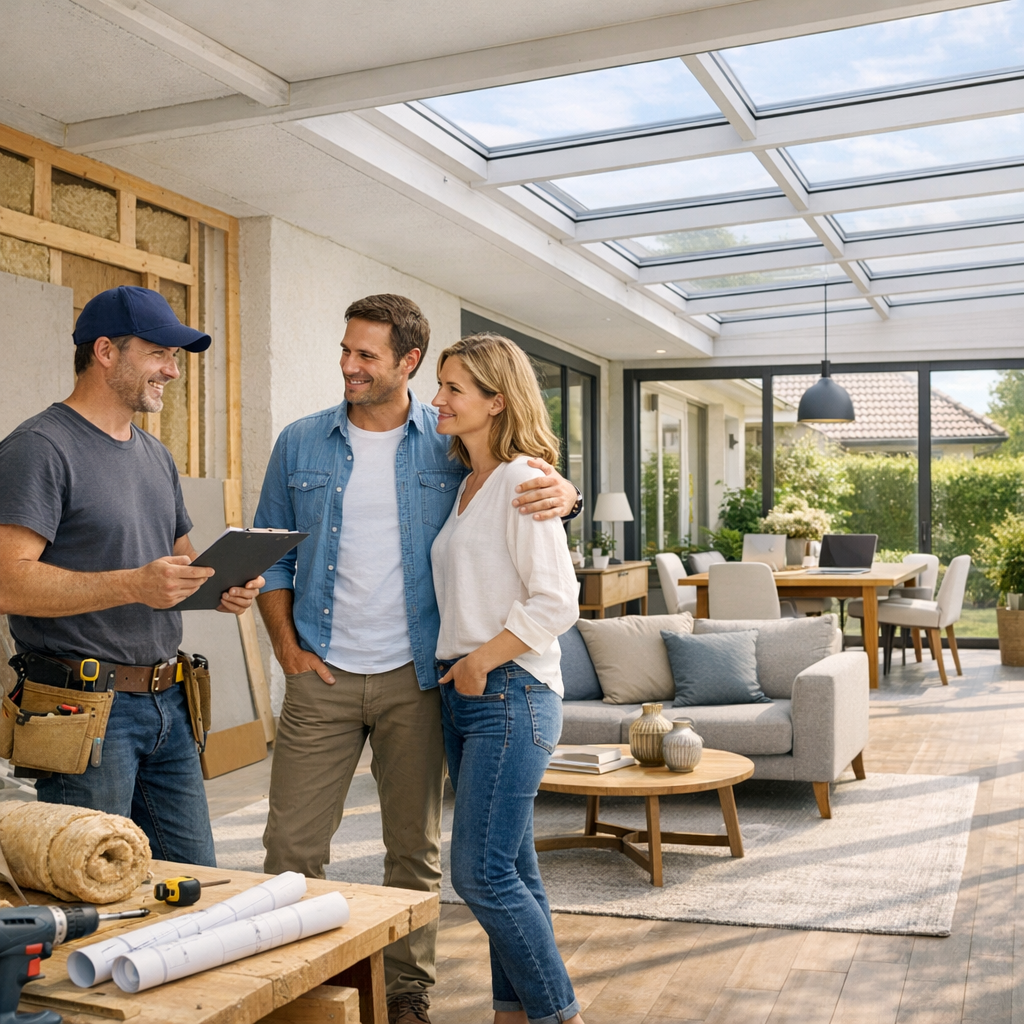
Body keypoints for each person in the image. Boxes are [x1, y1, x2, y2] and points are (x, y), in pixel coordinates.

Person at [254, 294, 580, 1024]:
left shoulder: (448, 440)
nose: (349, 366)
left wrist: (569, 493)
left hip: (424, 681)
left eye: (367, 354)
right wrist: (287, 650)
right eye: (345, 350)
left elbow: (522, 485)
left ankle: (407, 995)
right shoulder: (301, 442)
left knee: (418, 850)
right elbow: (272, 555)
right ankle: (296, 988)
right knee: (291, 844)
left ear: (407, 360)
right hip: (324, 672)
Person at [0, 286, 263, 867]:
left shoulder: (153, 454)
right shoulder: (39, 449)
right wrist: (131, 584)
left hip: (168, 701)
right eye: (158, 354)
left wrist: (225, 586)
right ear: (105, 352)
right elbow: (8, 583)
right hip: (83, 711)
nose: (173, 370)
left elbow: (179, 564)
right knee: (88, 886)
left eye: (175, 358)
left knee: (192, 883)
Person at [432, 333, 583, 1024]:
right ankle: (512, 1013)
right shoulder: (467, 481)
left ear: (496, 401)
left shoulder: (524, 480)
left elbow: (558, 600)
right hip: (469, 695)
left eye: (455, 388)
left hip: (508, 692)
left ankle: (560, 1015)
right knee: (512, 871)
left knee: (480, 875)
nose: (438, 399)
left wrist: (478, 661)